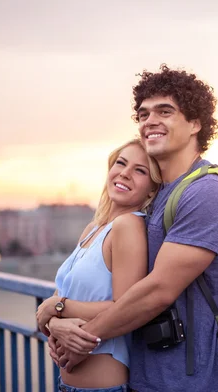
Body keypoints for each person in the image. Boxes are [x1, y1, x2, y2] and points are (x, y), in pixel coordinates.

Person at [49, 64, 218, 392]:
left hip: (189, 384)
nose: (149, 121)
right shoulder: (160, 195)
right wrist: (59, 320)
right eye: (142, 114)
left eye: (164, 111)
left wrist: (79, 339)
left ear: (196, 123)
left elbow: (157, 292)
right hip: (144, 378)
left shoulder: (207, 191)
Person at [35, 138, 161, 392]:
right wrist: (55, 323)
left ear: (151, 189)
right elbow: (66, 294)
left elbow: (125, 307)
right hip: (68, 385)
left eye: (140, 170)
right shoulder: (94, 229)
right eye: (121, 163)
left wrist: (55, 307)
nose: (125, 173)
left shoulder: (128, 226)